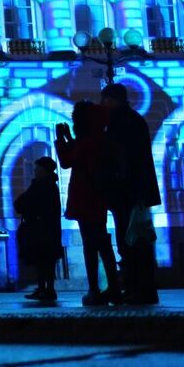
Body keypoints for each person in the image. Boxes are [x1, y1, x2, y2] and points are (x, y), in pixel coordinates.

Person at [100, 82, 161, 305]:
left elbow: (121, 156)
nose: (102, 104)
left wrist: (116, 179)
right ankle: (142, 288)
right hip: (138, 190)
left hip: (127, 192)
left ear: (112, 100)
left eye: (104, 99)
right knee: (139, 241)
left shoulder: (119, 122)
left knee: (130, 242)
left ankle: (138, 288)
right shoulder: (135, 119)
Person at [56, 101, 120, 305]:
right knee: (101, 242)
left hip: (86, 197)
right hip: (98, 197)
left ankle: (95, 289)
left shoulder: (88, 141)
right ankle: (113, 287)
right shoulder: (99, 138)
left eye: (75, 118)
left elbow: (68, 161)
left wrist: (60, 140)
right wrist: (69, 139)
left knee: (91, 244)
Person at [14, 156, 62, 304]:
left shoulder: (43, 186)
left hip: (42, 230)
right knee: (44, 261)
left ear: (44, 170)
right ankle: (45, 289)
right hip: (45, 229)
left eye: (37, 169)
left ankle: (46, 289)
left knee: (43, 260)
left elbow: (23, 203)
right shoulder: (47, 185)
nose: (34, 171)